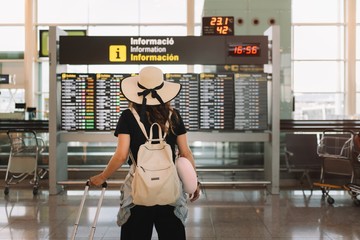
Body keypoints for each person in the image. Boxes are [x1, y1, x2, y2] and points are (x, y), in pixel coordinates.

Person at [89, 66, 201, 240]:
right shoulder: (174, 116)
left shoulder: (127, 116)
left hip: (137, 191)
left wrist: (102, 177)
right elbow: (185, 153)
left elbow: (121, 156)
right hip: (169, 190)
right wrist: (195, 182)